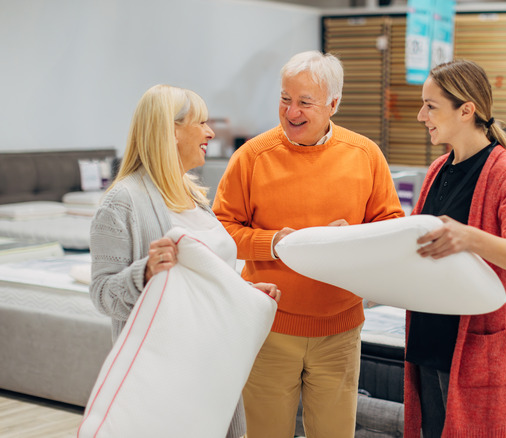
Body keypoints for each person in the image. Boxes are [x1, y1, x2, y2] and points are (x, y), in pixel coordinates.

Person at [213, 50, 404, 438]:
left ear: (333, 104)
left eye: (304, 102)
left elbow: (391, 227)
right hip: (270, 325)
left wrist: (350, 238)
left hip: (340, 329)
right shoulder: (251, 157)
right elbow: (220, 230)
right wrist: (273, 242)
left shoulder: (366, 155)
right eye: (285, 98)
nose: (291, 111)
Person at [89, 84, 280, 438]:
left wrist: (244, 291)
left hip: (214, 367)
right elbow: (102, 294)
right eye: (201, 123)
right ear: (171, 130)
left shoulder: (192, 194)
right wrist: (144, 272)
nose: (211, 132)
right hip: (166, 379)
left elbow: (204, 277)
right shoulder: (122, 202)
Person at [404, 59, 506, 437]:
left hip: (472, 349)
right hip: (429, 340)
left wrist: (469, 238)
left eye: (430, 106)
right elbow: (414, 239)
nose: (422, 116)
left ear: (466, 109)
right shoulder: (438, 169)